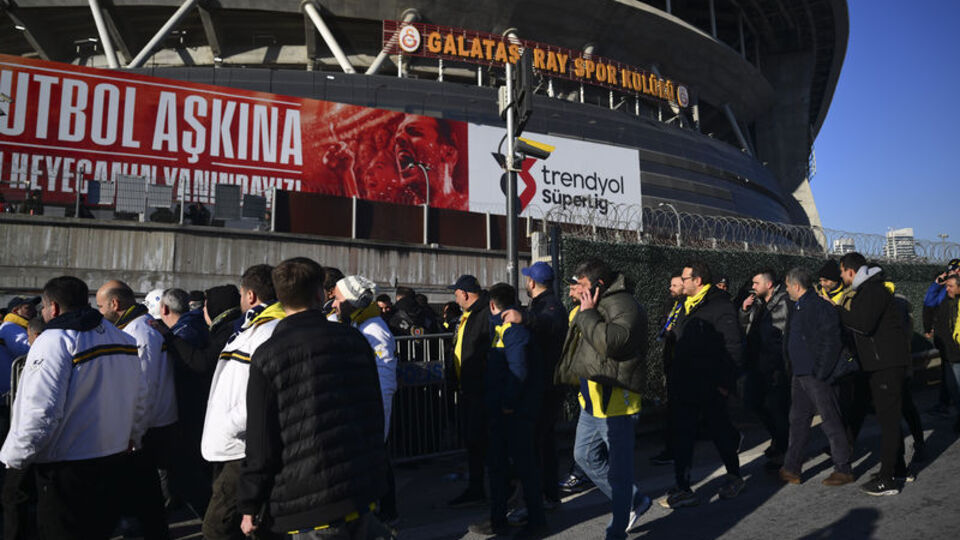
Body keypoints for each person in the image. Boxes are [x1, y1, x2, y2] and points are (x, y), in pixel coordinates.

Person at [237, 258, 390, 539]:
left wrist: (250, 502)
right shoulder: (354, 341)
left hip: (304, 498)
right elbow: (374, 412)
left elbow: (261, 440)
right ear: (320, 294)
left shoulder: (267, 355)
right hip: (357, 486)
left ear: (280, 299)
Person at [0, 276, 146, 539]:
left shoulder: (53, 340)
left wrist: (15, 458)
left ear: (53, 308)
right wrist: (133, 435)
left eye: (43, 308)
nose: (42, 313)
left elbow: (40, 410)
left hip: (68, 466)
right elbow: (139, 395)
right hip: (113, 456)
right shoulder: (122, 337)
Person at [554, 258, 651, 539]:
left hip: (616, 404)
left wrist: (587, 314)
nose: (572, 290)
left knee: (619, 471)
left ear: (597, 285)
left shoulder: (624, 305)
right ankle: (635, 501)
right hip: (592, 402)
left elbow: (611, 343)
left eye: (578, 285)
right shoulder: (587, 307)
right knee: (583, 456)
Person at [201, 265, 285, 540]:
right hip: (237, 441)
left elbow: (267, 389)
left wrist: (232, 423)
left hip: (242, 445)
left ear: (250, 295)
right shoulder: (255, 326)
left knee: (217, 527)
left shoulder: (268, 329)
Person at [153, 284, 243, 514]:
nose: (202, 311)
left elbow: (201, 362)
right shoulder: (220, 327)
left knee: (191, 473)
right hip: (208, 412)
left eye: (206, 306)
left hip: (204, 414)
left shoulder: (222, 331)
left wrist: (170, 339)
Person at [96, 280, 175, 540]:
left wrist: (134, 433)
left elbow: (145, 387)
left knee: (147, 497)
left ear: (115, 304)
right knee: (143, 496)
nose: (98, 311)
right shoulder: (133, 328)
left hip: (147, 428)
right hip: (143, 426)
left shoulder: (139, 332)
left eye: (100, 305)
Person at [663, 260, 744, 509]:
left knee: (720, 432)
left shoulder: (719, 306)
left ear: (697, 281)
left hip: (710, 384)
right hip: (684, 383)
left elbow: (733, 348)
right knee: (683, 436)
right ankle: (683, 486)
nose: (681, 282)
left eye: (685, 278)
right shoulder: (682, 306)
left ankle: (734, 475)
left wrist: (724, 384)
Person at [469, 282, 547, 538]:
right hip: (503, 410)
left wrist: (508, 405)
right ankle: (498, 519)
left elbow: (518, 371)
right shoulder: (503, 328)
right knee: (499, 468)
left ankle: (535, 522)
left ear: (492, 305)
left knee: (523, 467)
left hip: (513, 414)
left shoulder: (513, 331)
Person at [834, 252, 909, 496]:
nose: (841, 276)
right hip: (879, 364)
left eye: (842, 271)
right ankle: (897, 468)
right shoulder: (868, 290)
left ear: (851, 272)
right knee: (888, 419)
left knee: (888, 422)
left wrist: (836, 310)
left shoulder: (873, 291)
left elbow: (862, 324)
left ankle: (887, 480)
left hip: (886, 365)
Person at [500, 261, 568, 522]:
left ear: (531, 283)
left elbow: (548, 323)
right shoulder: (541, 305)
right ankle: (547, 495)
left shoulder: (550, 306)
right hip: (543, 384)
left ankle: (538, 499)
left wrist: (523, 318)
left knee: (537, 444)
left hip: (546, 386)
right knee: (544, 443)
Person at [332, 275, 400, 523]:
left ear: (351, 300)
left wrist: (378, 422)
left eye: (338, 298)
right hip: (365, 409)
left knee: (379, 462)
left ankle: (387, 513)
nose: (334, 303)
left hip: (373, 413)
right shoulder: (359, 323)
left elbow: (385, 380)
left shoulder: (374, 330)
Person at [778, 267, 854, 486]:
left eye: (787, 285)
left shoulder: (819, 306)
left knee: (831, 420)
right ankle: (791, 467)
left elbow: (832, 340)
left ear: (796, 285)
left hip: (815, 375)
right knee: (798, 421)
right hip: (800, 374)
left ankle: (843, 468)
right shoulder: (799, 306)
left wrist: (821, 372)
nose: (787, 289)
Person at [739, 269, 792, 465]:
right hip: (757, 363)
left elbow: (785, 333)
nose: (752, 287)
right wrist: (744, 311)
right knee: (754, 403)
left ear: (768, 284)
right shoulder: (758, 303)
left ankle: (784, 449)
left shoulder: (783, 301)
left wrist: (781, 362)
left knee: (777, 408)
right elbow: (746, 329)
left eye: (756, 283)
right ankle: (778, 440)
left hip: (775, 365)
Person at [447, 275, 490, 508]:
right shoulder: (467, 315)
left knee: (483, 441)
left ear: (464, 293)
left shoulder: (483, 315)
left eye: (456, 294)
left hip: (480, 390)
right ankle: (476, 487)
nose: (455, 298)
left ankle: (498, 487)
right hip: (468, 388)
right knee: (473, 442)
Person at [651, 274, 684, 466]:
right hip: (670, 360)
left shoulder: (685, 307)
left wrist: (673, 332)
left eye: (675, 285)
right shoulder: (670, 305)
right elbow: (663, 325)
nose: (670, 288)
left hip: (680, 363)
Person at [923, 259, 960, 415]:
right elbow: (930, 302)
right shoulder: (947, 292)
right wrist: (937, 284)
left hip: (955, 347)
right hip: (947, 345)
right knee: (951, 382)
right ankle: (945, 404)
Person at [932, 274, 960, 432]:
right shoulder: (946, 302)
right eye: (946, 285)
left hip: (956, 354)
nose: (947, 288)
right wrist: (936, 285)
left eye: (950, 286)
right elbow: (929, 302)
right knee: (952, 388)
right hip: (948, 354)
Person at [0, 296, 38, 397]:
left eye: (34, 307)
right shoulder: (10, 327)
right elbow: (26, 350)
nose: (34, 311)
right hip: (8, 392)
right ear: (16, 310)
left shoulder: (20, 327)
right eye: (28, 308)